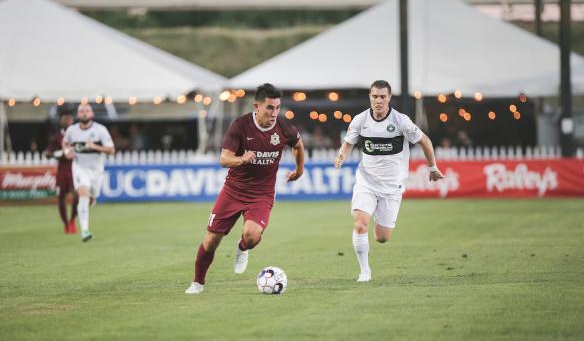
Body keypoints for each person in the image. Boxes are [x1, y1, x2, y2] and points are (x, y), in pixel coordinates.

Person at [185, 83, 305, 294]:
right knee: (211, 240)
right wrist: (241, 159)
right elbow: (224, 158)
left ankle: (242, 248)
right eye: (270, 108)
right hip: (233, 191)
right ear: (256, 106)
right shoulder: (240, 126)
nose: (274, 113)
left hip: (262, 193)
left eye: (277, 108)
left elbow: (298, 145)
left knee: (250, 236)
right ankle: (197, 282)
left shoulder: (284, 128)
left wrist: (299, 170)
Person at [334, 80, 444, 282]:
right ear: (370, 97)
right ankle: (365, 272)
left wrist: (433, 167)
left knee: (382, 237)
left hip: (392, 188)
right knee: (360, 225)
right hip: (366, 182)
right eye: (375, 96)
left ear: (389, 98)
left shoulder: (401, 121)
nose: (378, 100)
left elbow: (425, 141)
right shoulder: (360, 120)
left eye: (382, 97)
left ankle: (376, 214)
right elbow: (348, 144)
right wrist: (341, 156)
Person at [62, 104, 115, 242]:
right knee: (83, 195)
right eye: (81, 111)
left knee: (91, 196)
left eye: (87, 111)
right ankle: (85, 230)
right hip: (79, 167)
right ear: (78, 115)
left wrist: (94, 146)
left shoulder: (100, 130)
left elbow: (111, 150)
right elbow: (65, 143)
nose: (84, 113)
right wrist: (67, 152)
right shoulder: (72, 130)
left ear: (91, 114)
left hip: (96, 170)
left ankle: (92, 198)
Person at [44, 114, 78, 234]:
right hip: (62, 170)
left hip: (75, 169)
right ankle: (66, 224)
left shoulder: (78, 136)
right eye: (65, 119)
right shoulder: (57, 137)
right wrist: (56, 154)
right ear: (61, 122)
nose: (68, 121)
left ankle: (73, 220)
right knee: (61, 198)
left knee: (77, 195)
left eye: (70, 119)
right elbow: (47, 153)